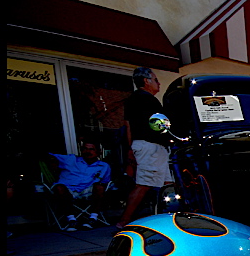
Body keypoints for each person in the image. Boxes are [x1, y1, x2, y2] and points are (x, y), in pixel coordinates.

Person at [116, 67, 171, 229]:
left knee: (168, 183)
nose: (158, 83)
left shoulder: (133, 99)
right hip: (150, 146)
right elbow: (162, 125)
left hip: (150, 147)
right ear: (146, 81)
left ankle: (167, 217)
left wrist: (131, 149)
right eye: (155, 80)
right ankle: (123, 222)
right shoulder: (146, 99)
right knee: (144, 184)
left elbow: (128, 126)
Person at [46, 140, 111, 231]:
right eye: (85, 149)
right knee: (59, 188)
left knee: (100, 187)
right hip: (67, 190)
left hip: (87, 191)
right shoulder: (71, 159)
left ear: (98, 152)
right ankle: (71, 220)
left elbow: (105, 182)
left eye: (91, 149)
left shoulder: (104, 166)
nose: (88, 151)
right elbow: (48, 156)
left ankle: (93, 218)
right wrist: (52, 164)